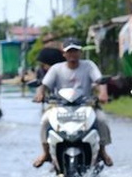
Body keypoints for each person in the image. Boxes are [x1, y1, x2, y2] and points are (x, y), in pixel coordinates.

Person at [32, 38, 114, 168]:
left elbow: (100, 81)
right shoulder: (56, 69)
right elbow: (44, 85)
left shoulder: (89, 65)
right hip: (60, 106)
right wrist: (40, 94)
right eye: (69, 52)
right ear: (64, 54)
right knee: (44, 121)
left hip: (86, 105)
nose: (72, 55)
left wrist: (103, 93)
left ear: (80, 52)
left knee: (102, 120)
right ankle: (45, 153)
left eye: (75, 51)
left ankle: (103, 152)